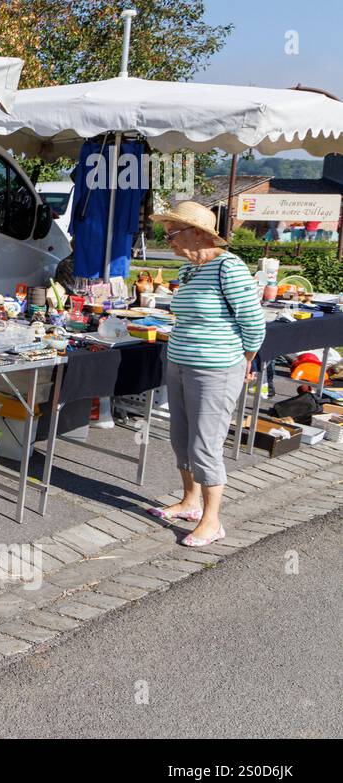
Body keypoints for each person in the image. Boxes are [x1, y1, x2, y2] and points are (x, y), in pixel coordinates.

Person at [147, 201, 265, 546]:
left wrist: (247, 359)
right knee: (180, 438)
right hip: (181, 362)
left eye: (172, 233)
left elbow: (254, 322)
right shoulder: (189, 271)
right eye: (166, 233)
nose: (167, 240)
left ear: (198, 234)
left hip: (216, 368)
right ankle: (190, 502)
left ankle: (212, 521)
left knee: (205, 445)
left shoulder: (229, 267)